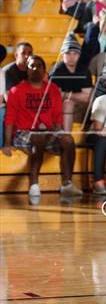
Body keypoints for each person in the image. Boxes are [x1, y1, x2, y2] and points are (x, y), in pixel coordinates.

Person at [3, 55, 82, 198]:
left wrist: (60, 135)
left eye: (39, 65)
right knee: (38, 137)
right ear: (27, 70)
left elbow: (58, 116)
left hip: (48, 132)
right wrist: (7, 143)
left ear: (44, 71)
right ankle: (34, 184)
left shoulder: (53, 90)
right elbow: (9, 119)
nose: (35, 68)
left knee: (68, 140)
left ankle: (67, 184)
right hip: (23, 133)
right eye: (32, 66)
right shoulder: (16, 91)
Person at [49, 33, 93, 135]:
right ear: (62, 55)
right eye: (68, 53)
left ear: (79, 55)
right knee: (68, 104)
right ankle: (66, 138)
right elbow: (54, 97)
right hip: (62, 107)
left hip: (82, 107)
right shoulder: (56, 71)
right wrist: (73, 97)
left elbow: (86, 98)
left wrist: (65, 94)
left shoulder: (84, 71)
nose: (72, 57)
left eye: (75, 54)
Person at [80, 10, 106, 77]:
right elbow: (92, 50)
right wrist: (102, 33)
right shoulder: (93, 29)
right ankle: (100, 83)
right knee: (103, 56)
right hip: (89, 64)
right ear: (101, 21)